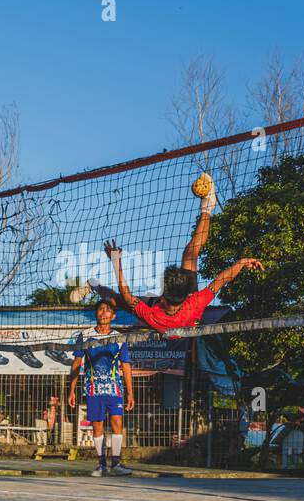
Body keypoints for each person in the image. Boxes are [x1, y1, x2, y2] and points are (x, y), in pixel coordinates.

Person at [77, 176, 264, 332]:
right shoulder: (194, 303)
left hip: (165, 319)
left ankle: (94, 285)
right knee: (190, 254)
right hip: (185, 317)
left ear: (162, 296)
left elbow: (126, 295)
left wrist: (242, 262)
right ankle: (208, 206)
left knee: (115, 300)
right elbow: (222, 280)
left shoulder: (153, 314)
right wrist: (241, 263)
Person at [67, 297, 135, 476]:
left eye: (107, 310)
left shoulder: (119, 338)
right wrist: (71, 389)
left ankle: (117, 463)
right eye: (100, 309)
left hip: (114, 388)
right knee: (97, 425)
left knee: (117, 422)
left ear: (113, 316)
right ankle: (101, 465)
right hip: (93, 388)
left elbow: (126, 366)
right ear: (96, 313)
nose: (103, 312)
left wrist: (130, 393)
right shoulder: (86, 335)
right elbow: (76, 363)